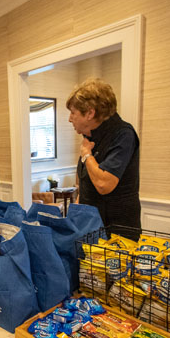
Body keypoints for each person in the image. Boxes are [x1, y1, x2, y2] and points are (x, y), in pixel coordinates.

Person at [66, 78, 141, 241]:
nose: (70, 119)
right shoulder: (90, 137)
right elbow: (84, 183)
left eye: (73, 113)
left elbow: (103, 184)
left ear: (90, 113)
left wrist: (87, 154)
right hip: (90, 225)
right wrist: (75, 216)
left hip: (117, 231)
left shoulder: (123, 134)